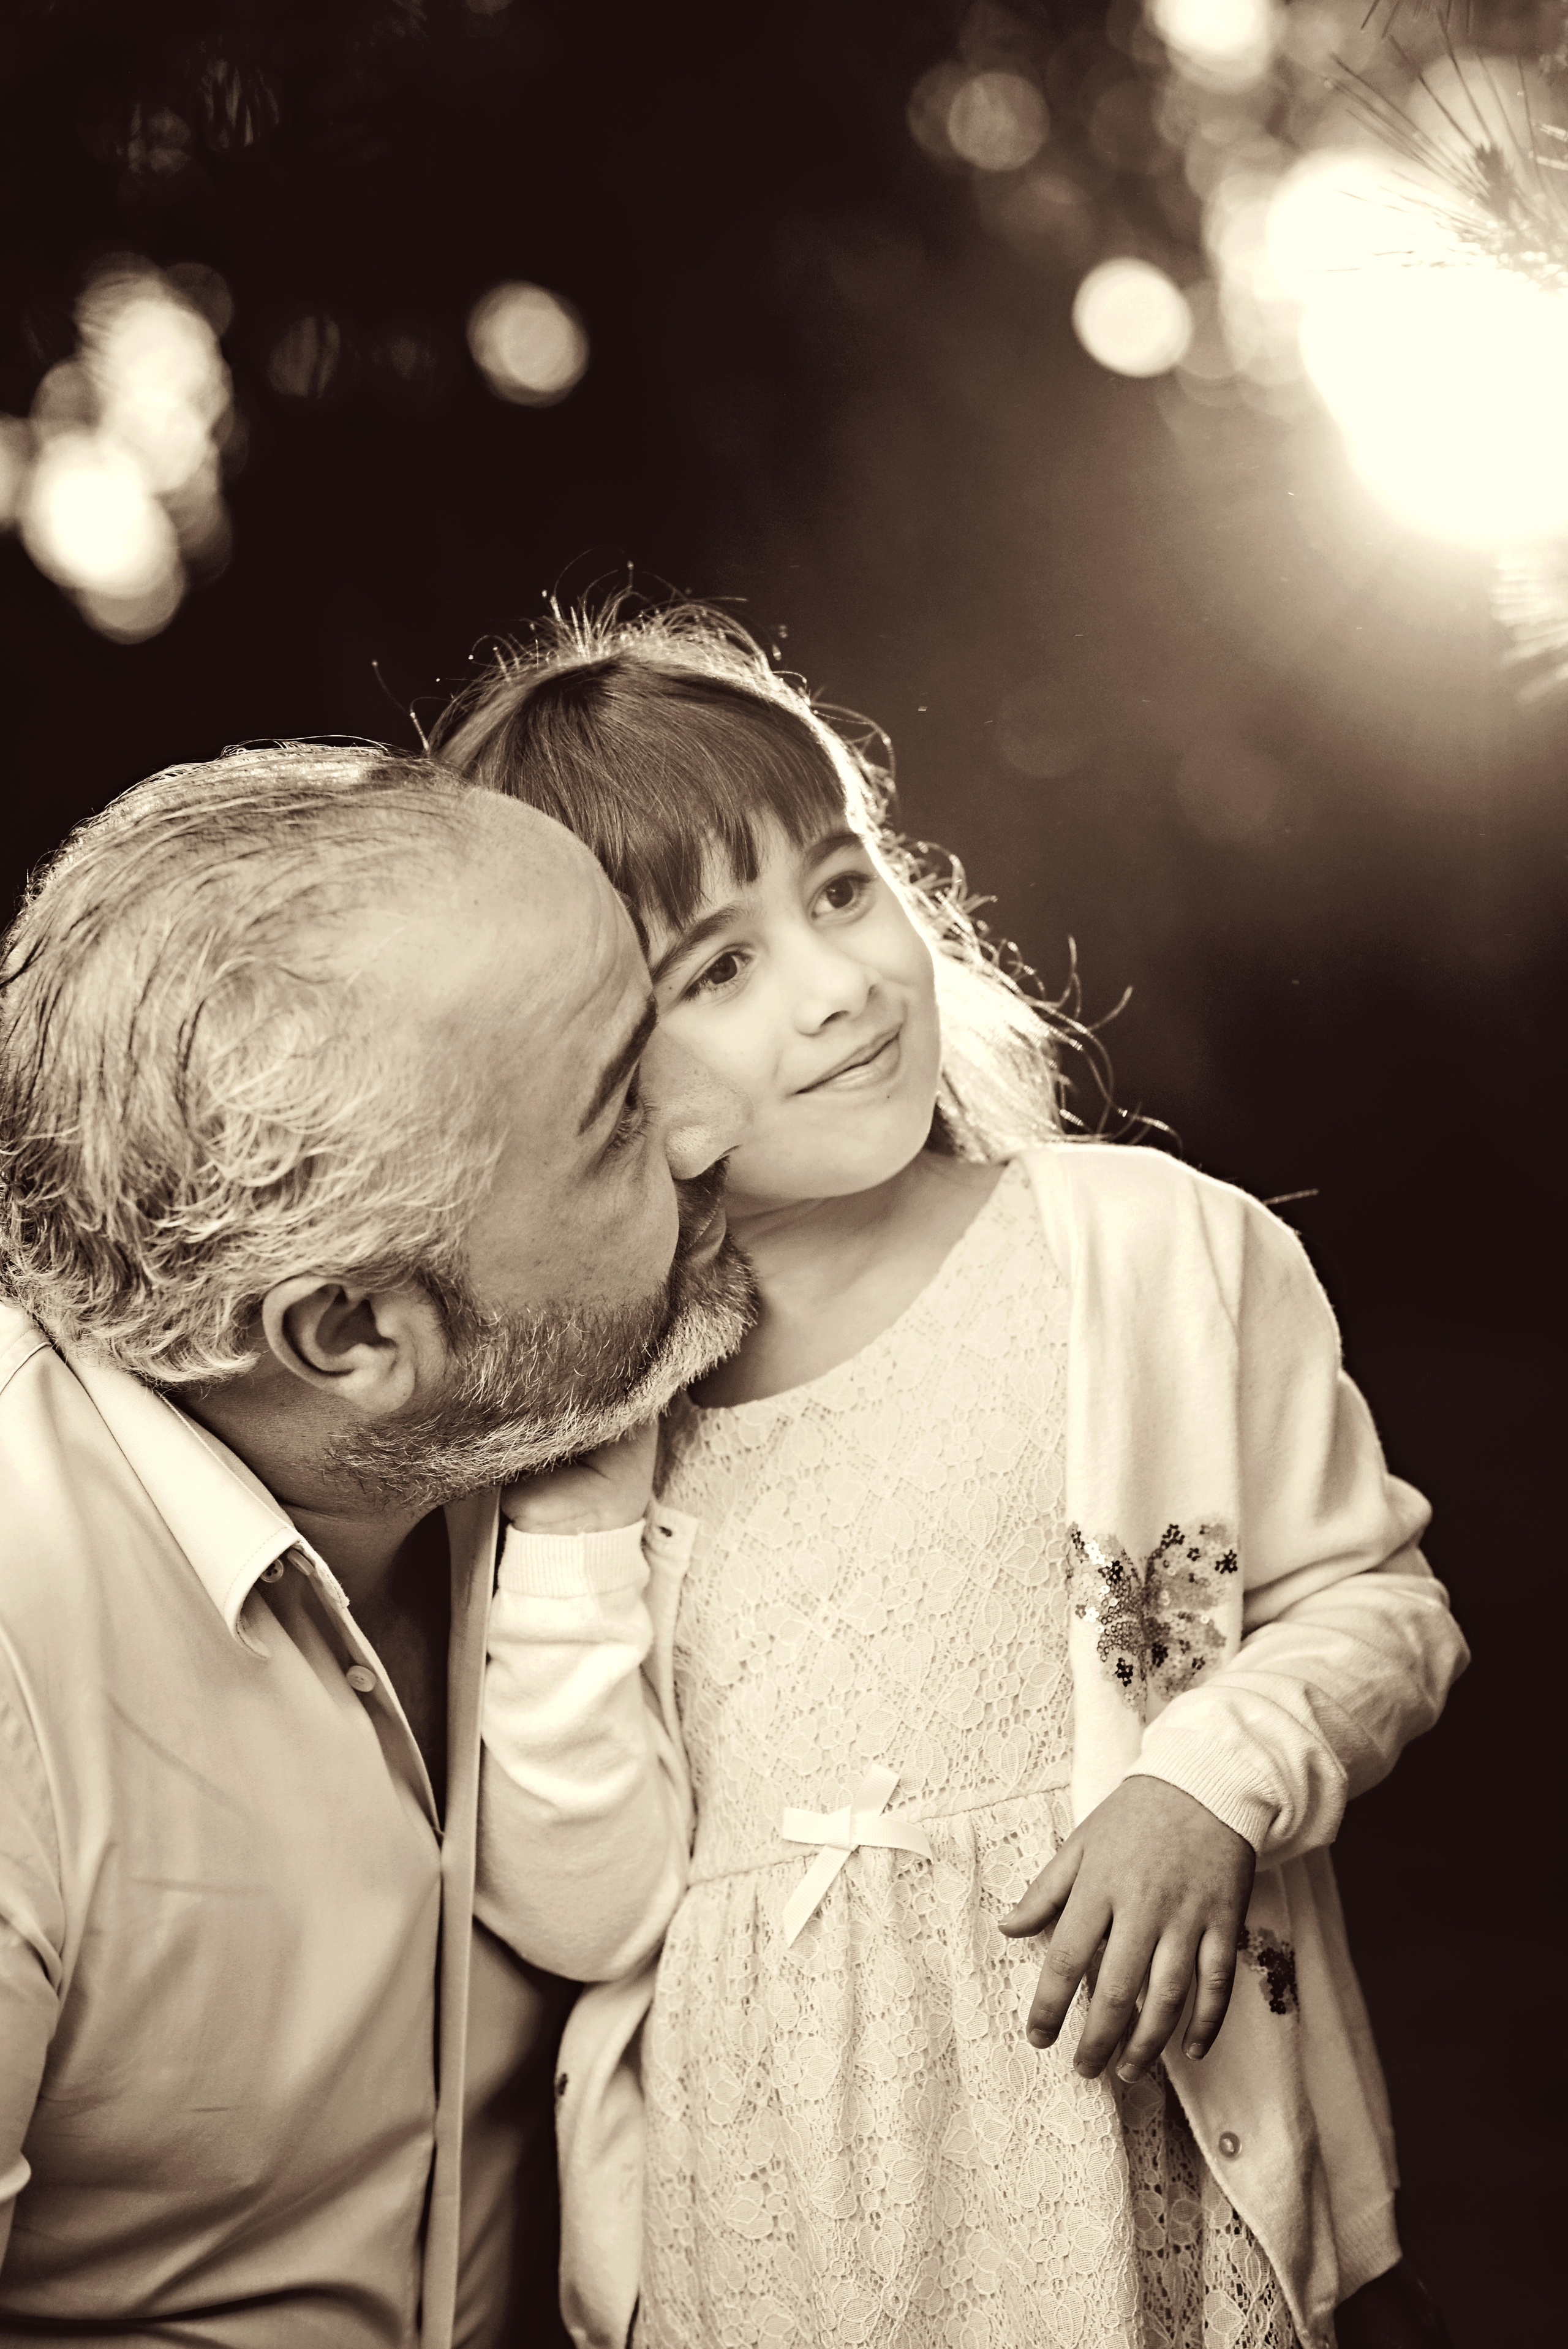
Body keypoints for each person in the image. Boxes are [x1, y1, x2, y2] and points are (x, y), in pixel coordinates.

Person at [439, 608, 1469, 2349]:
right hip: (776, 2246)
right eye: (718, 969)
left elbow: (1379, 1602)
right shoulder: (577, 1443)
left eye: (839, 890)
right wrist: (580, 1499)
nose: (838, 982)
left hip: (1134, 2180)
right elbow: (579, 1902)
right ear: (585, 1080)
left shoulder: (1149, 1254)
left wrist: (1208, 1779)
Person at [0, 740, 753, 2347]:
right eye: (621, 1108)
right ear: (355, 1332)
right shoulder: (17, 1648)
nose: (711, 1114)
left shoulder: (558, 1404)